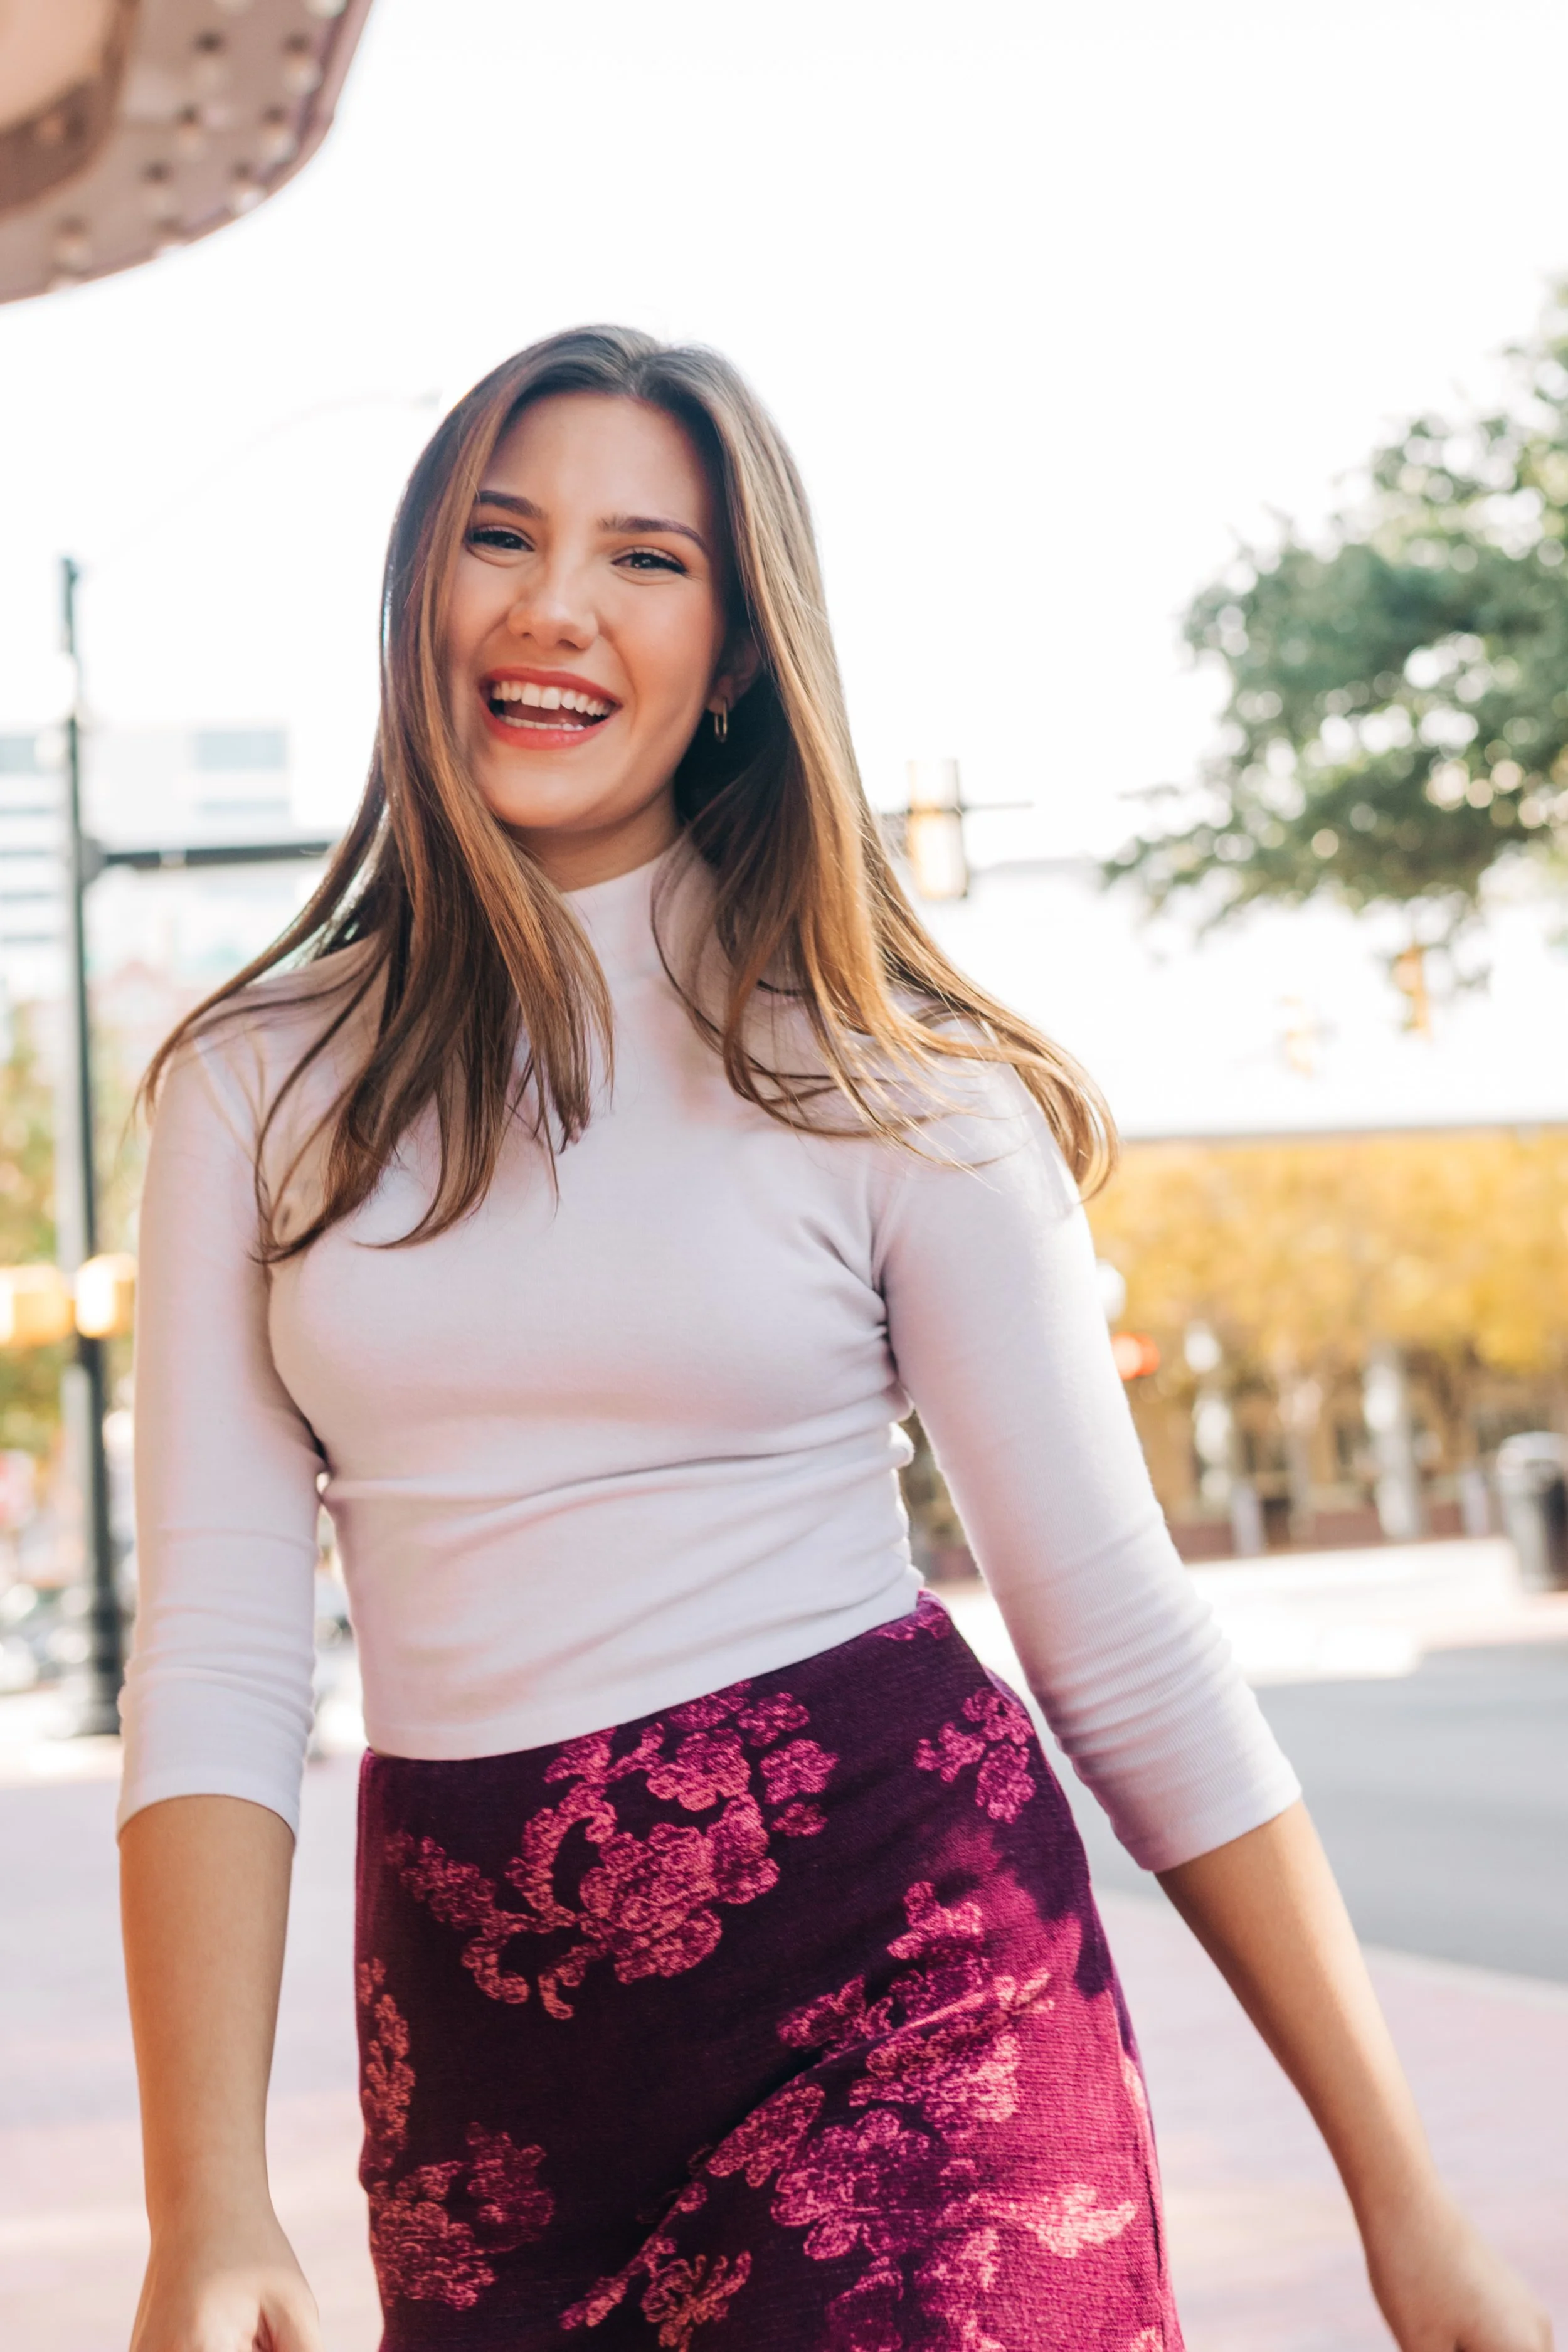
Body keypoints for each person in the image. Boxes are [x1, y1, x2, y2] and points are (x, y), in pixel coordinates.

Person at [119, 327, 1550, 2352]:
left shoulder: (887, 1076)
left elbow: (1123, 1637)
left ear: (735, 653)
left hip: (910, 1993)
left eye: (646, 559)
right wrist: (203, 2200)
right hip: (484, 2065)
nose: (553, 606)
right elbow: (219, 1653)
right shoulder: (252, 1086)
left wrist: (1400, 2189)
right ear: (417, 589)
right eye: (501, 538)